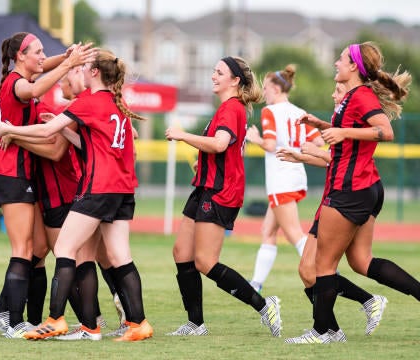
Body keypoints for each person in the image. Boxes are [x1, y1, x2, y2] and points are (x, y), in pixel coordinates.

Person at [0, 49, 153, 342]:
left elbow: (47, 131)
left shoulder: (89, 101)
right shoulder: (116, 103)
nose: (79, 71)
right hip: (123, 189)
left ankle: (55, 320)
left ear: (94, 73)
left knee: (65, 249)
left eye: (84, 67)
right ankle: (137, 323)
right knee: (119, 256)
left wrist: (9, 128)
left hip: (98, 188)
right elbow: (89, 142)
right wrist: (65, 130)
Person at [285, 42, 420, 344]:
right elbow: (350, 138)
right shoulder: (351, 99)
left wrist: (343, 132)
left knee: (322, 265)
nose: (336, 63)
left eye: (341, 59)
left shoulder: (360, 96)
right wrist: (323, 125)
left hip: (350, 189)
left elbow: (385, 131)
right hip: (362, 187)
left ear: (354, 68)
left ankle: (322, 332)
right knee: (360, 261)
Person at [0, 32, 94, 338]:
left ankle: (4, 313)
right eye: (39, 51)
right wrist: (68, 63)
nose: (44, 56)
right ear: (21, 56)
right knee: (22, 250)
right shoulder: (18, 83)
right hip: (11, 174)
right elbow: (35, 85)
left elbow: (43, 72)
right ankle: (13, 322)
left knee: (39, 249)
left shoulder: (27, 80)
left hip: (23, 175)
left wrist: (68, 57)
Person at [164, 56, 282, 337]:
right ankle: (195, 324)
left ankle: (265, 306)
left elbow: (218, 144)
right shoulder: (227, 109)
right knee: (181, 252)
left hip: (221, 191)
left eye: (219, 72)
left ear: (235, 80)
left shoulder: (231, 108)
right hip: (205, 186)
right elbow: (220, 149)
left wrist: (183, 135)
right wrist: (201, 163)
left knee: (205, 261)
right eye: (213, 70)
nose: (213, 75)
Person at [275, 82, 388, 342]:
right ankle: (334, 328)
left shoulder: (352, 118)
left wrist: (313, 150)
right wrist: (302, 156)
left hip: (341, 197)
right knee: (307, 270)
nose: (333, 94)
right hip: (331, 197)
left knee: (322, 267)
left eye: (337, 90)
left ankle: (331, 325)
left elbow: (336, 160)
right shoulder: (339, 123)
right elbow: (333, 160)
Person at [244, 64, 324, 292]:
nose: (264, 92)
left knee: (293, 233)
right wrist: (298, 147)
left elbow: (269, 145)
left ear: (277, 89)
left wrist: (255, 138)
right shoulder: (299, 112)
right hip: (296, 176)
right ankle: (256, 283)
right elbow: (318, 143)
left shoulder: (270, 111)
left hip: (281, 180)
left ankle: (327, 275)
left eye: (267, 88)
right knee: (268, 231)